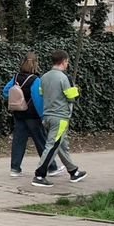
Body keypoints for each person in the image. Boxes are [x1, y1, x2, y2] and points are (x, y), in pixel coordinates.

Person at [31, 50, 87, 188]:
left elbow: (42, 93)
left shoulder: (44, 77)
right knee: (52, 145)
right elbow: (71, 97)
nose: (67, 64)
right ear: (63, 61)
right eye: (67, 62)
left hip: (47, 115)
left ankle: (73, 171)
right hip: (60, 117)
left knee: (62, 145)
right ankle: (39, 175)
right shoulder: (64, 77)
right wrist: (76, 90)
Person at [2, 53, 48, 178]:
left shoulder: (16, 77)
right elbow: (38, 99)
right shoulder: (35, 80)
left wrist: (17, 98)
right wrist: (42, 116)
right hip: (33, 115)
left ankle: (15, 168)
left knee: (18, 141)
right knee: (41, 141)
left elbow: (5, 92)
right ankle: (51, 166)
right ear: (36, 63)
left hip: (18, 113)